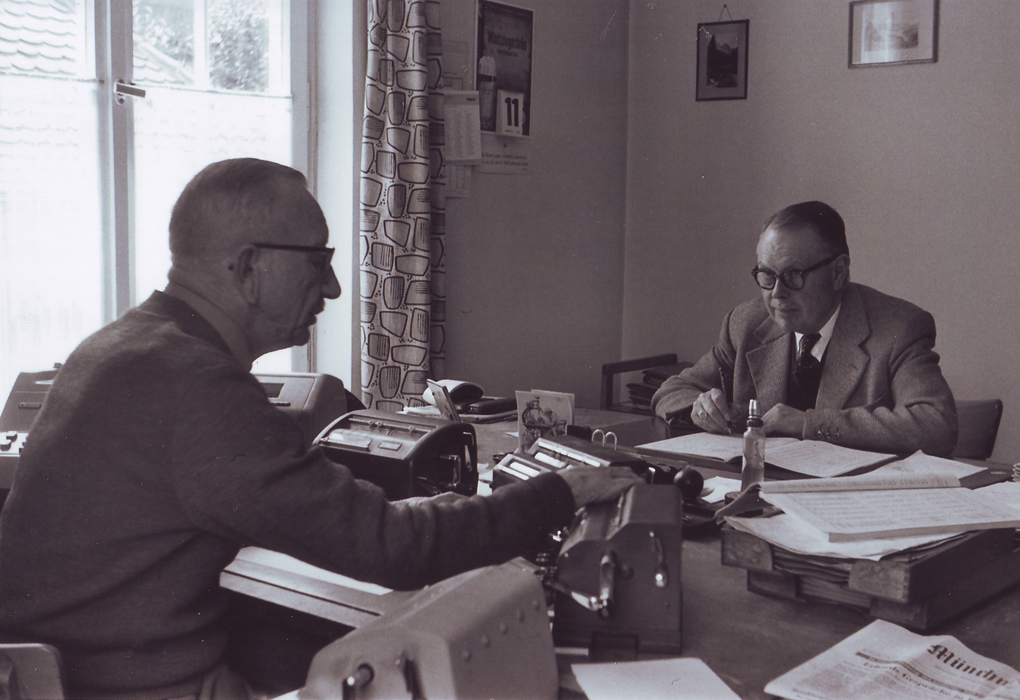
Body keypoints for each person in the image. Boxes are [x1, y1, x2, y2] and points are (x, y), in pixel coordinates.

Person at [0, 159, 642, 700]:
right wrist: (558, 494)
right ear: (249, 269)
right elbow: (392, 551)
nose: (333, 286)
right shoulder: (198, 384)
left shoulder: (118, 345)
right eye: (317, 260)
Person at [651, 200, 957, 457]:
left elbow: (935, 425)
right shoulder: (746, 323)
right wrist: (701, 407)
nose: (776, 293)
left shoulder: (897, 327)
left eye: (794, 275)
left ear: (838, 273)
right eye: (766, 275)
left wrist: (808, 424)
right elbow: (672, 391)